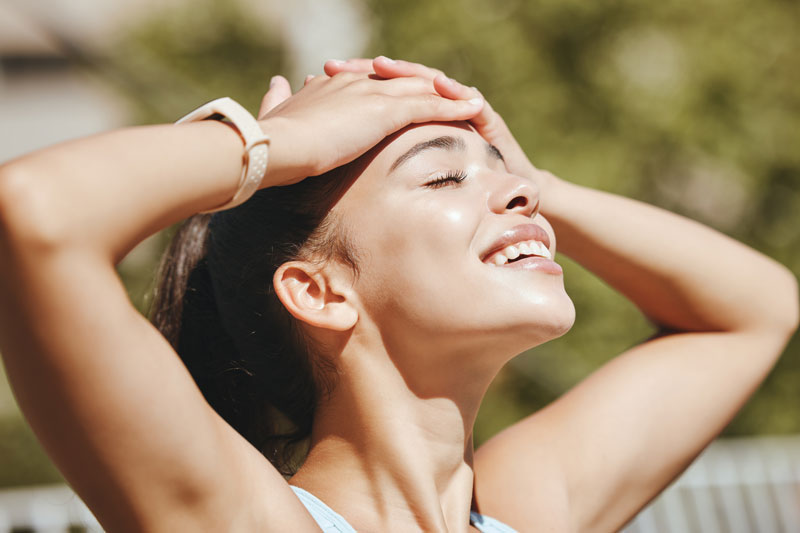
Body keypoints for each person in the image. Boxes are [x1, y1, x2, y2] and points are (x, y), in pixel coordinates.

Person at [0, 55, 796, 533]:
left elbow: (756, 308)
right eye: (446, 176)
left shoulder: (521, 509)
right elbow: (35, 214)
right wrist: (281, 146)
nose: (516, 196)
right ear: (319, 291)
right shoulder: (242, 518)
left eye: (504, 173)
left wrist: (536, 180)